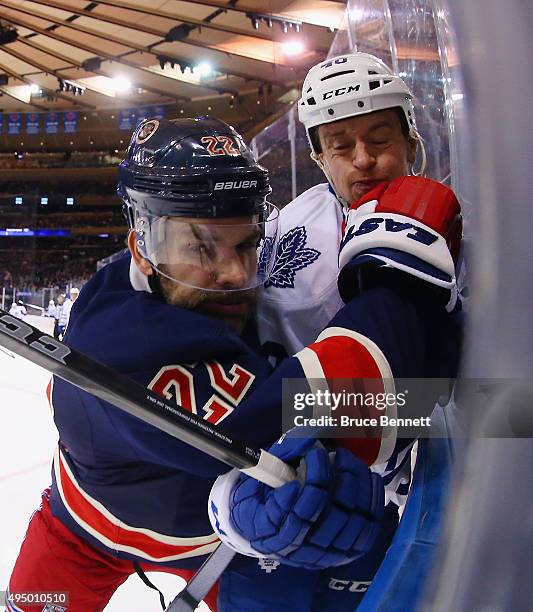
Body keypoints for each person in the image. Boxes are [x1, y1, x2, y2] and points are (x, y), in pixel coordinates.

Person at [6, 117, 392, 611]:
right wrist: (397, 293)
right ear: (142, 250)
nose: (234, 274)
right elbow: (307, 412)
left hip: (218, 550)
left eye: (246, 244)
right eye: (199, 247)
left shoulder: (259, 297)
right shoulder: (116, 338)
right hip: (81, 537)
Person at [210, 52, 464, 609]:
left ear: (412, 142)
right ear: (319, 156)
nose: (365, 159)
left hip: (399, 501)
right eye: (342, 146)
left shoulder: (455, 223)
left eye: (380, 138)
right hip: (285, 498)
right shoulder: (276, 237)